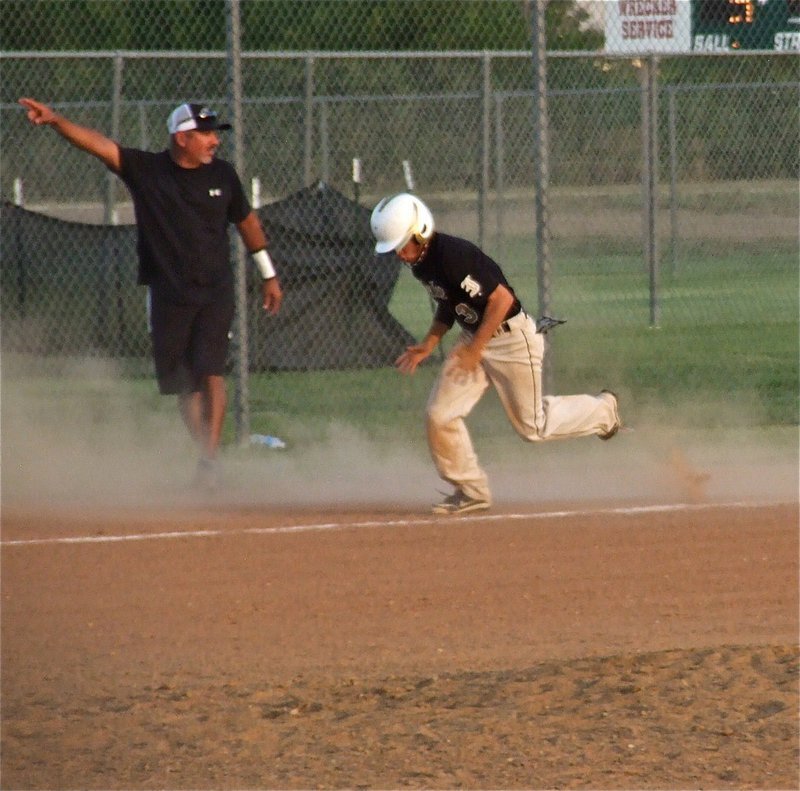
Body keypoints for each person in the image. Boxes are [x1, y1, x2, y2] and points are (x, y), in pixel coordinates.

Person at [19, 97, 283, 488]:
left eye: (215, 134)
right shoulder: (148, 171)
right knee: (183, 383)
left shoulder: (223, 176)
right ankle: (206, 456)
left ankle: (209, 463)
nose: (214, 141)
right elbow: (100, 145)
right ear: (181, 137)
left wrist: (268, 274)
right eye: (205, 134)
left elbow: (247, 222)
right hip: (167, 293)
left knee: (211, 370)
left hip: (215, 290)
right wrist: (57, 121)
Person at [370, 193, 621, 515]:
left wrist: (476, 350)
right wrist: (430, 342)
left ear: (420, 232)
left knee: (533, 427)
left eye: (403, 245)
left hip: (511, 339)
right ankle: (472, 491)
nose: (400, 255)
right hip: (474, 338)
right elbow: (450, 303)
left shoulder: (452, 255)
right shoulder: (422, 263)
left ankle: (604, 411)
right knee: (439, 415)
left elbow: (501, 300)